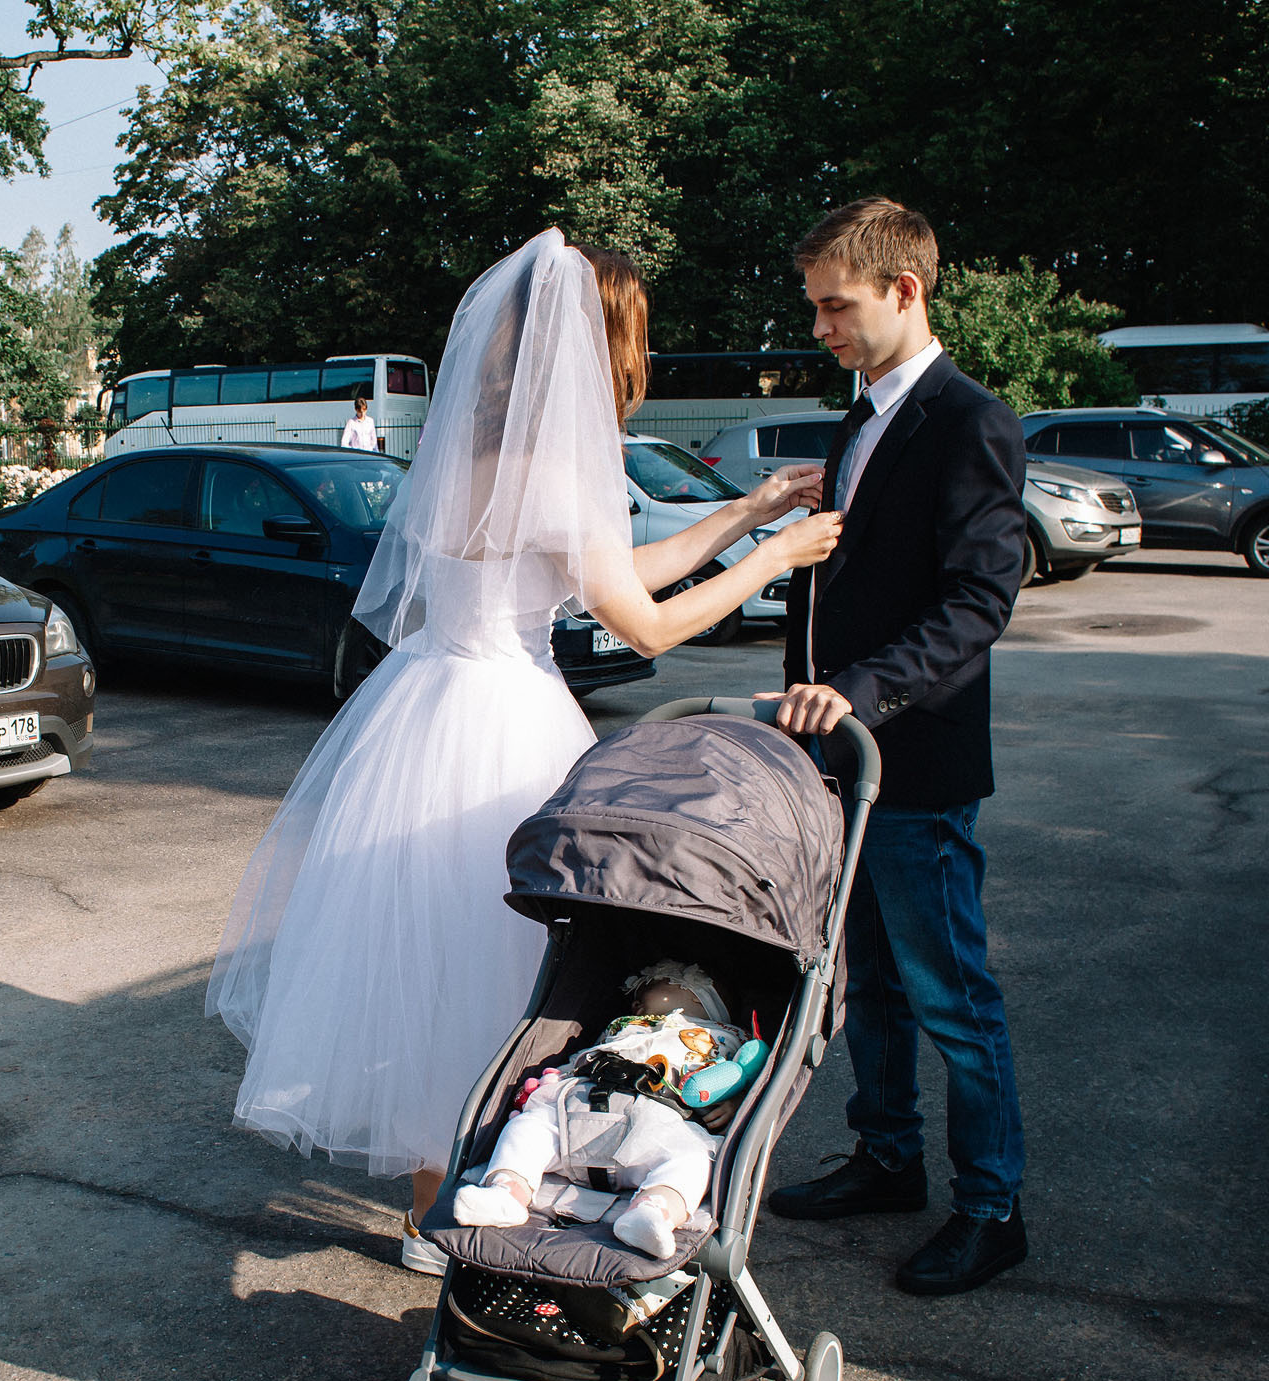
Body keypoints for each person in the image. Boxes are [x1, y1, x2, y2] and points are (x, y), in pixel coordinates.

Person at [209, 229, 842, 1275]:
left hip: (419, 712)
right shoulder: (562, 461)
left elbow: (604, 569)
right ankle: (510, 1182)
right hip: (504, 724)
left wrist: (740, 512)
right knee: (507, 969)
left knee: (426, 965)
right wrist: (775, 554)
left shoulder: (471, 450)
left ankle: (431, 1205)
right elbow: (640, 622)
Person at [762, 197, 1030, 1297]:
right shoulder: (857, 418)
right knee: (860, 982)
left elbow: (980, 600)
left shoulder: (969, 418)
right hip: (837, 774)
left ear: (904, 290)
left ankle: (993, 1207)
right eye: (816, 305)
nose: (821, 325)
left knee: (950, 995)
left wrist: (857, 692)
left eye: (837, 304)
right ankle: (885, 1155)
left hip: (913, 768)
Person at [451, 962, 747, 1258]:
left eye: (652, 985)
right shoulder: (624, 1024)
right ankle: (507, 1193)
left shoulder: (726, 1038)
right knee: (527, 1128)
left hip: (657, 1125)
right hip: (579, 1111)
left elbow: (744, 1077)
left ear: (699, 996)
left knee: (692, 1158)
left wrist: (735, 1103)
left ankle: (652, 1212)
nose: (635, 1000)